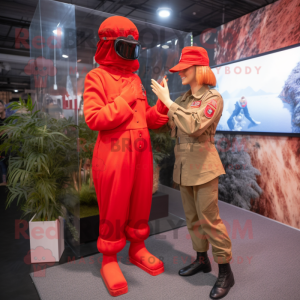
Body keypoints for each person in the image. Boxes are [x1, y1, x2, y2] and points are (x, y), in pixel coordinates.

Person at [83, 16, 169, 297]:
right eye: (124, 46)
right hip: (113, 156)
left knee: (141, 202)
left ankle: (137, 248)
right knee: (114, 206)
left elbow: (146, 119)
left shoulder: (135, 79)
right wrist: (125, 100)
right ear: (108, 45)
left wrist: (162, 109)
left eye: (134, 47)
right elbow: (94, 118)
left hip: (142, 155)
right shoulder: (96, 77)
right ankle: (108, 259)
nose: (130, 53)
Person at [151, 46, 235, 299]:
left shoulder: (213, 98)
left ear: (198, 69)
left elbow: (194, 126)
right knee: (192, 219)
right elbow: (167, 126)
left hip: (204, 167)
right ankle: (201, 260)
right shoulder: (184, 100)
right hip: (184, 167)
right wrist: (158, 108)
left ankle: (225, 271)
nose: (179, 74)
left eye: (183, 69)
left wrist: (168, 102)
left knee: (209, 219)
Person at [0, 100, 7, 186]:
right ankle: (4, 181)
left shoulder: (8, 119)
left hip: (7, 145)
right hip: (1, 145)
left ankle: (5, 181)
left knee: (4, 163)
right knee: (1, 164)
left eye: (0, 105)